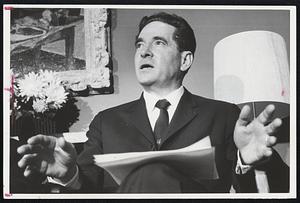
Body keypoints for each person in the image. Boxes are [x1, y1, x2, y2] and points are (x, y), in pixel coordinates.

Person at [17, 12, 288, 193]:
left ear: (185, 60)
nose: (143, 51)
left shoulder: (224, 115)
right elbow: (88, 189)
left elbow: (280, 186)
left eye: (158, 43)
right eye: (139, 44)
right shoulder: (106, 122)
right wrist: (69, 174)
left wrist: (246, 160)